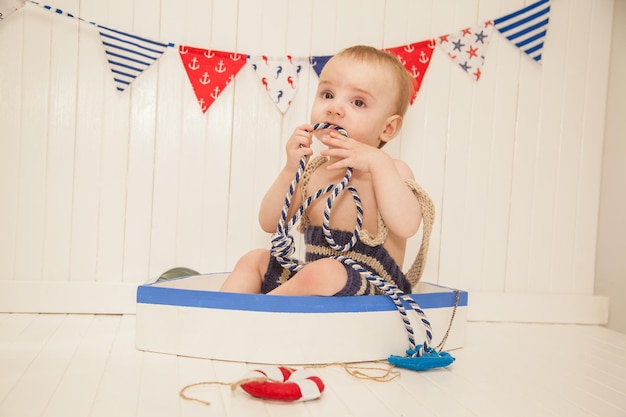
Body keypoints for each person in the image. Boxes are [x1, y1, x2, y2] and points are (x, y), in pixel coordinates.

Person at [220, 45, 423, 296]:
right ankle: (223, 321)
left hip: (376, 290)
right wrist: (290, 170)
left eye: (358, 102)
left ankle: (260, 318)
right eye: (327, 95)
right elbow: (270, 222)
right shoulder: (313, 173)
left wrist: (378, 162)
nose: (335, 108)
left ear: (388, 129)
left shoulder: (392, 170)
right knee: (254, 260)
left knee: (324, 272)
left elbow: (407, 226)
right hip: (315, 282)